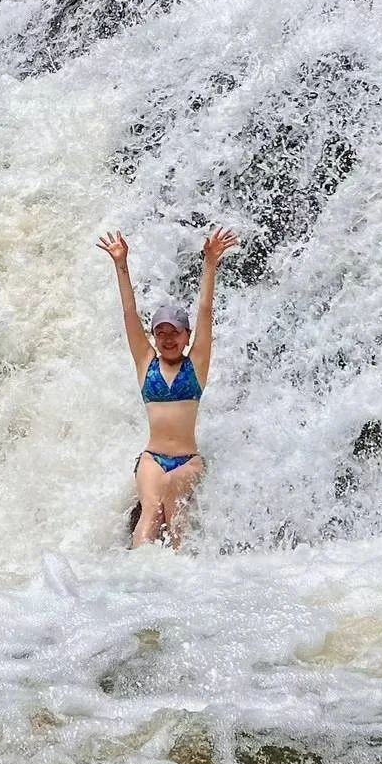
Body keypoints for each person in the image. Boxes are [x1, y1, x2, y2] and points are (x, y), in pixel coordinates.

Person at [96, 226, 239, 549]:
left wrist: (210, 263)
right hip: (152, 458)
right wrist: (121, 264)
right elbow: (129, 313)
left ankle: (179, 574)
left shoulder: (196, 365)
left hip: (187, 461)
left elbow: (205, 312)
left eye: (174, 332)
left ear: (186, 337)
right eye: (161, 333)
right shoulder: (146, 362)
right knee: (151, 510)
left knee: (174, 495)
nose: (168, 338)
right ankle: (135, 576)